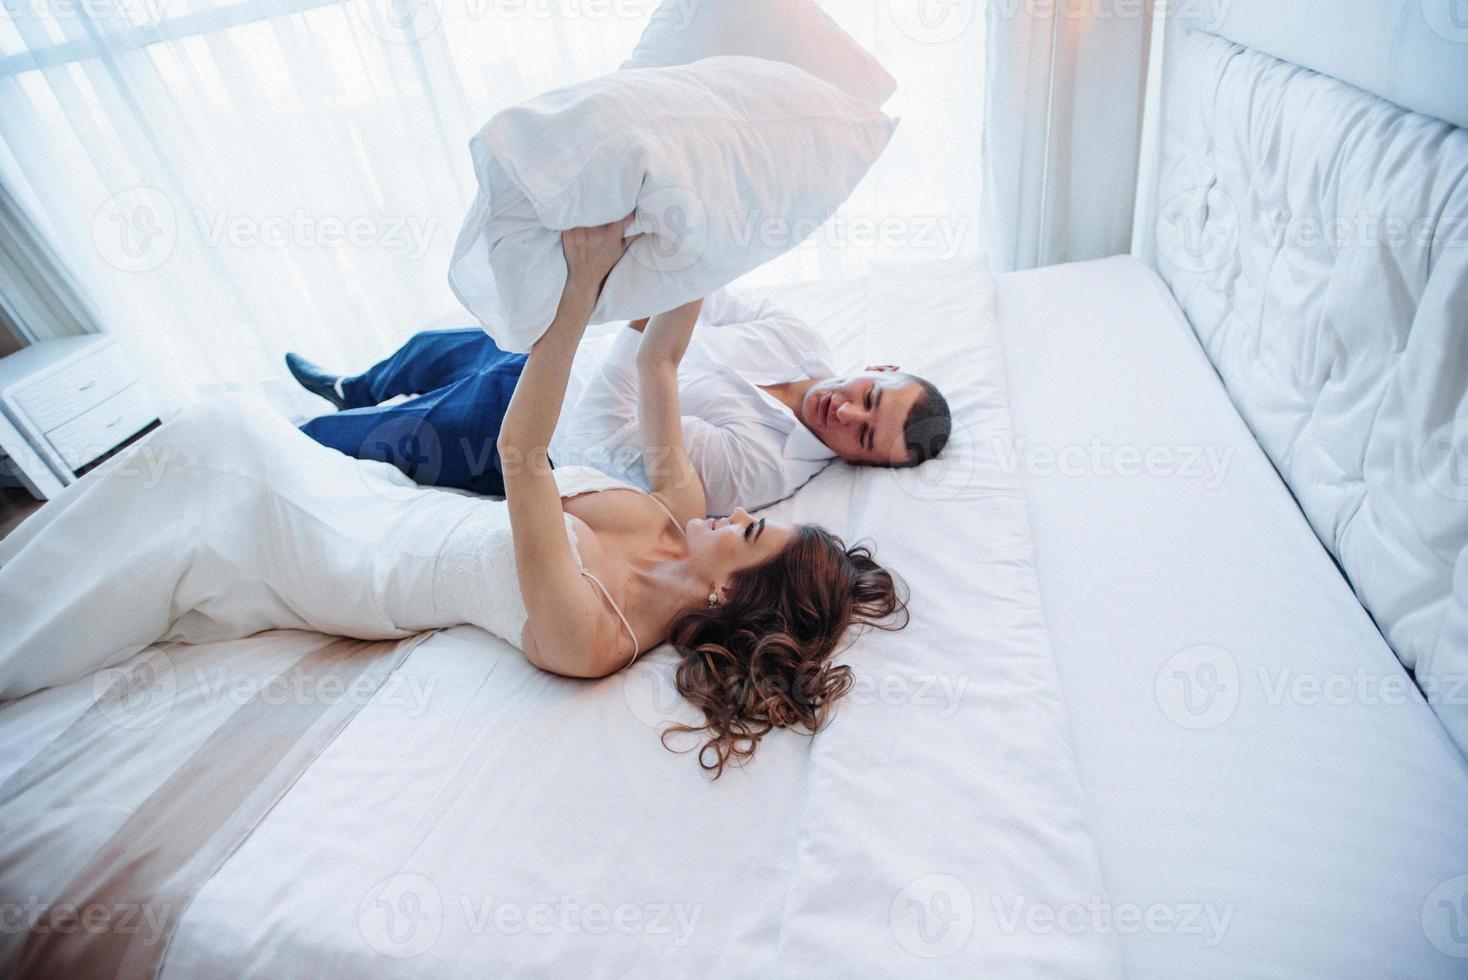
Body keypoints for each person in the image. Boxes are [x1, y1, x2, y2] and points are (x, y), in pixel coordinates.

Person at [0, 218, 907, 776]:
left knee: (214, 439)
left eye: (745, 531)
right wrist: (688, 239)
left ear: (725, 592)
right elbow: (659, 360)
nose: (725, 515)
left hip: (350, 561)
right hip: (387, 499)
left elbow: (521, 455)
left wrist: (576, 292)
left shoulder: (598, 633)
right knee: (218, 437)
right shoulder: (673, 512)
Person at [285, 288, 952, 515]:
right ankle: (353, 386)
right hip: (560, 346)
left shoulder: (764, 467)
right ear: (879, 367)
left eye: (864, 436)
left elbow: (612, 435)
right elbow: (707, 296)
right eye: (870, 396)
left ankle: (279, 437)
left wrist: (643, 326)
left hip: (537, 427)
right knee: (432, 348)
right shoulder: (801, 339)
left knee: (389, 435)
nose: (850, 412)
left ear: (860, 462)